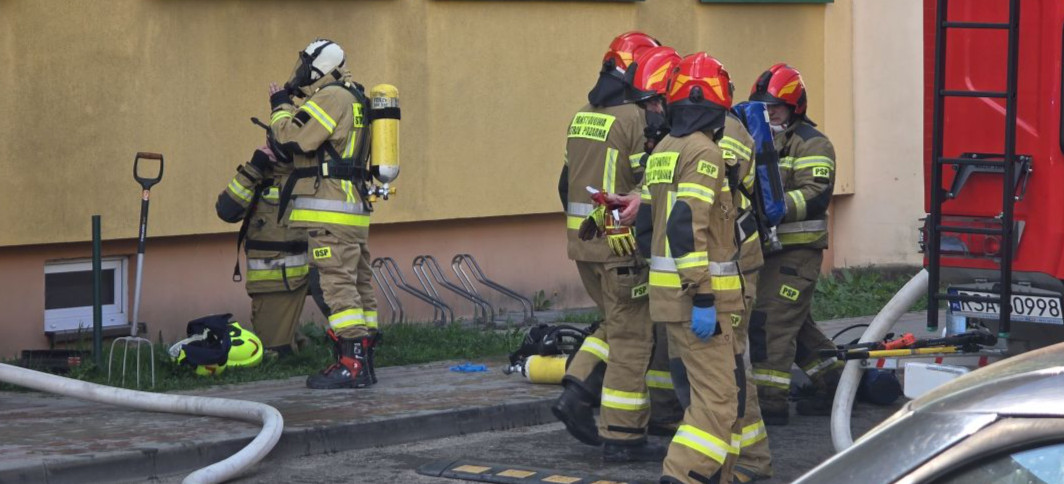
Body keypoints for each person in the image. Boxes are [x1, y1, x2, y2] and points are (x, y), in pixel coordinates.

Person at [552, 31, 664, 462]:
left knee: (613, 324)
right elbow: (650, 185)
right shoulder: (636, 119)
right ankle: (622, 436)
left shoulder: (582, 115)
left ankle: (575, 390)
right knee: (633, 337)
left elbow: (564, 185)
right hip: (621, 247)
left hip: (584, 244)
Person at [637, 52, 743, 484]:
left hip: (670, 300)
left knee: (717, 398)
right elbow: (685, 225)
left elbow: (646, 227)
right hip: (700, 303)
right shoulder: (703, 151)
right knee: (718, 404)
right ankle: (681, 476)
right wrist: (700, 293)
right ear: (712, 107)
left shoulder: (663, 148)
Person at [268, 38, 380, 389]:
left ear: (322, 66)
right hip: (352, 210)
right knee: (358, 283)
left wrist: (280, 108)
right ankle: (365, 358)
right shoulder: (357, 97)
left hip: (331, 209)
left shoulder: (331, 97)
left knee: (336, 285)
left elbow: (294, 139)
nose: (301, 72)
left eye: (307, 65)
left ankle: (352, 363)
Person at [747, 63, 842, 424]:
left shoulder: (813, 143)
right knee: (795, 325)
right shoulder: (758, 140)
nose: (769, 114)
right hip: (769, 251)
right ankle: (835, 382)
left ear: (795, 107)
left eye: (776, 108)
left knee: (772, 324)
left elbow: (816, 193)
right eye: (763, 107)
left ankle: (769, 404)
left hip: (798, 251)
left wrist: (774, 207)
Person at [215, 146, 313, 356]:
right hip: (274, 281)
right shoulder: (260, 175)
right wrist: (255, 167)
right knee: (274, 353)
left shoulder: (312, 171)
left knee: (348, 305)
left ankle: (354, 347)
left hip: (318, 270)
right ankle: (292, 340)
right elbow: (226, 210)